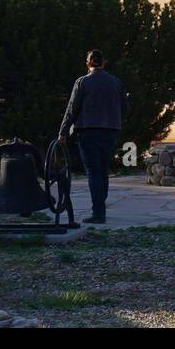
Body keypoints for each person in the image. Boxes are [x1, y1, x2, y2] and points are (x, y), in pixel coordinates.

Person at [58, 49, 126, 224]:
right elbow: (124, 106)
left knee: (93, 172)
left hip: (87, 130)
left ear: (88, 64)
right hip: (110, 130)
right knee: (103, 170)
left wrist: (63, 132)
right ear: (104, 63)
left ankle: (98, 212)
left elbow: (72, 109)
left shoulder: (82, 82)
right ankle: (100, 207)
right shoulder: (115, 82)